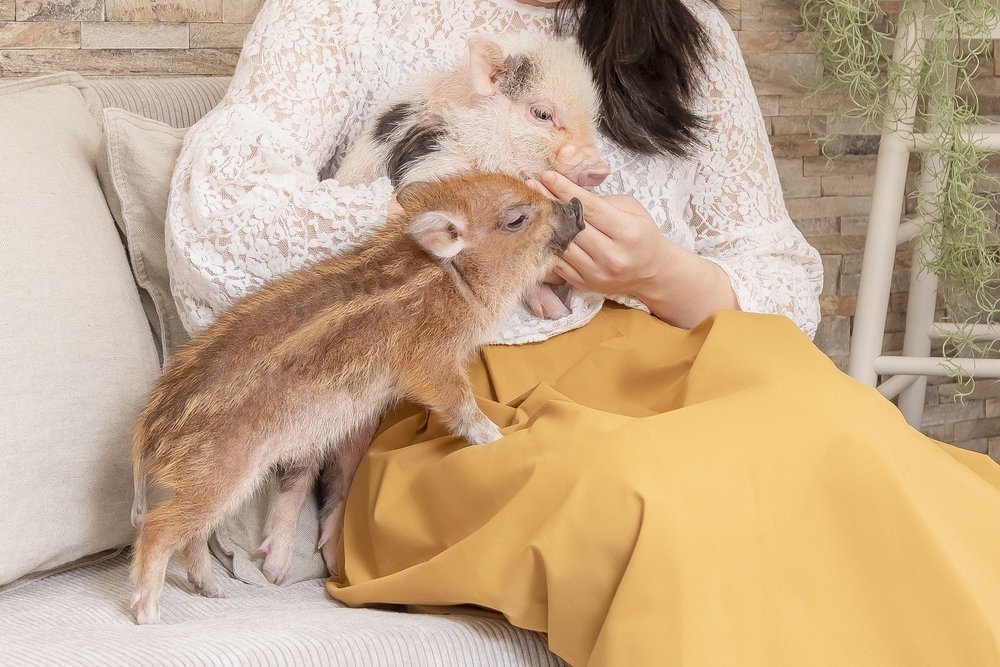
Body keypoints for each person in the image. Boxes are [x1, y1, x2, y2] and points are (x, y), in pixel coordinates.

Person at [164, 0, 1000, 664]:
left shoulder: (689, 33)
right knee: (665, 495)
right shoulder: (350, 13)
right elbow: (216, 218)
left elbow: (779, 268)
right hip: (446, 402)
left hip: (671, 360)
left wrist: (658, 272)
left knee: (855, 436)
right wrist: (469, 221)